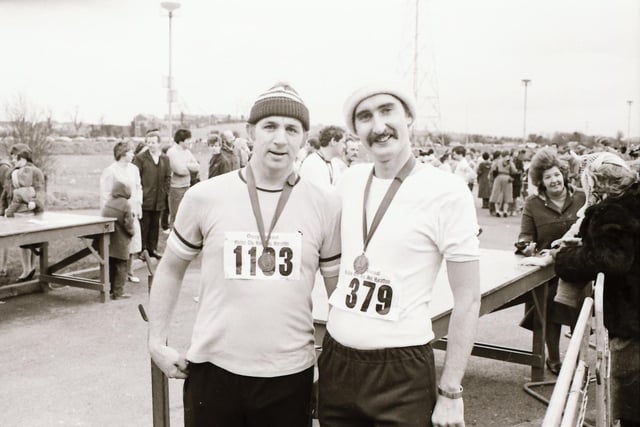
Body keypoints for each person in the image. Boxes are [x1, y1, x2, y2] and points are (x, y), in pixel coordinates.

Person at [147, 82, 341, 427]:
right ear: (251, 132)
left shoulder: (325, 203)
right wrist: (156, 341)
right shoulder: (205, 196)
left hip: (289, 375)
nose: (280, 139)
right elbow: (171, 268)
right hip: (212, 370)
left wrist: (333, 366)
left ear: (304, 138)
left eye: (291, 129)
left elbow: (337, 292)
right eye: (270, 126)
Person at [319, 83, 480, 427]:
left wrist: (451, 391)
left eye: (387, 110)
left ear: (408, 117)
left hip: (401, 371)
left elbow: (468, 298)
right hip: (337, 363)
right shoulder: (349, 181)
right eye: (365, 117)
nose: (378, 126)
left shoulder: (447, 191)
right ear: (355, 131)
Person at [554, 153, 639, 427]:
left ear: (597, 182)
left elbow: (609, 260)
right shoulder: (632, 203)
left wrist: (565, 259)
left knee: (628, 387)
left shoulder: (613, 212)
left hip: (631, 316)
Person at [516, 147, 586, 375]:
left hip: (579, 268)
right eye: (548, 177)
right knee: (550, 313)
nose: (554, 180)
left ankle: (578, 361)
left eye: (556, 175)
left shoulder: (581, 198)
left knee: (580, 316)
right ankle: (554, 359)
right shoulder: (533, 204)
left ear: (564, 174)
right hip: (549, 271)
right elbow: (525, 236)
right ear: (541, 182)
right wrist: (527, 247)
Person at [100, 140, 143, 283]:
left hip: (132, 211)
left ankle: (130, 272)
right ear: (122, 153)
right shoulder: (111, 171)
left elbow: (138, 188)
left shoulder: (134, 169)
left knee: (132, 240)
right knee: (119, 244)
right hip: (117, 213)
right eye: (130, 151)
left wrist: (139, 206)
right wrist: (107, 215)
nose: (133, 154)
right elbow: (105, 194)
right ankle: (116, 276)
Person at [7, 144, 45, 282]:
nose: (12, 160)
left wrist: (35, 203)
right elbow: (10, 193)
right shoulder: (14, 172)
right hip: (19, 213)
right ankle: (26, 269)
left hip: (33, 212)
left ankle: (31, 268)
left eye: (14, 157)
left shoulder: (35, 172)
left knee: (34, 241)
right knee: (22, 242)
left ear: (22, 157)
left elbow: (40, 191)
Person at [133, 130, 171, 259]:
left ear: (159, 143)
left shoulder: (165, 158)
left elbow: (167, 177)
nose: (151, 145)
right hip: (145, 198)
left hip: (159, 199)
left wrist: (164, 191)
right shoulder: (140, 159)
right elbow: (135, 177)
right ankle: (142, 250)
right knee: (144, 225)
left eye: (153, 142)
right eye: (148, 142)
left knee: (155, 225)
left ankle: (152, 249)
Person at [102, 181, 136, 300]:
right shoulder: (125, 204)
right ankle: (119, 292)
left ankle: (110, 289)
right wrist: (132, 233)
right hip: (121, 240)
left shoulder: (109, 202)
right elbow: (129, 224)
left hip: (110, 240)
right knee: (122, 266)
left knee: (111, 265)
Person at [166, 128, 200, 229]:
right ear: (181, 140)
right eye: (188, 140)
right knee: (176, 216)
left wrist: (186, 165)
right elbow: (180, 170)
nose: (190, 142)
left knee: (186, 215)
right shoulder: (172, 152)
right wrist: (190, 166)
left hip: (187, 186)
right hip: (176, 189)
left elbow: (197, 167)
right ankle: (173, 237)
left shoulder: (187, 152)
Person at [489, 150, 517, 217]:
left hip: (499, 177)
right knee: (507, 194)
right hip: (507, 178)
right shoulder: (510, 162)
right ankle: (505, 211)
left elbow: (492, 169)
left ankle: (497, 210)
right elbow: (514, 171)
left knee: (497, 193)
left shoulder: (498, 161)